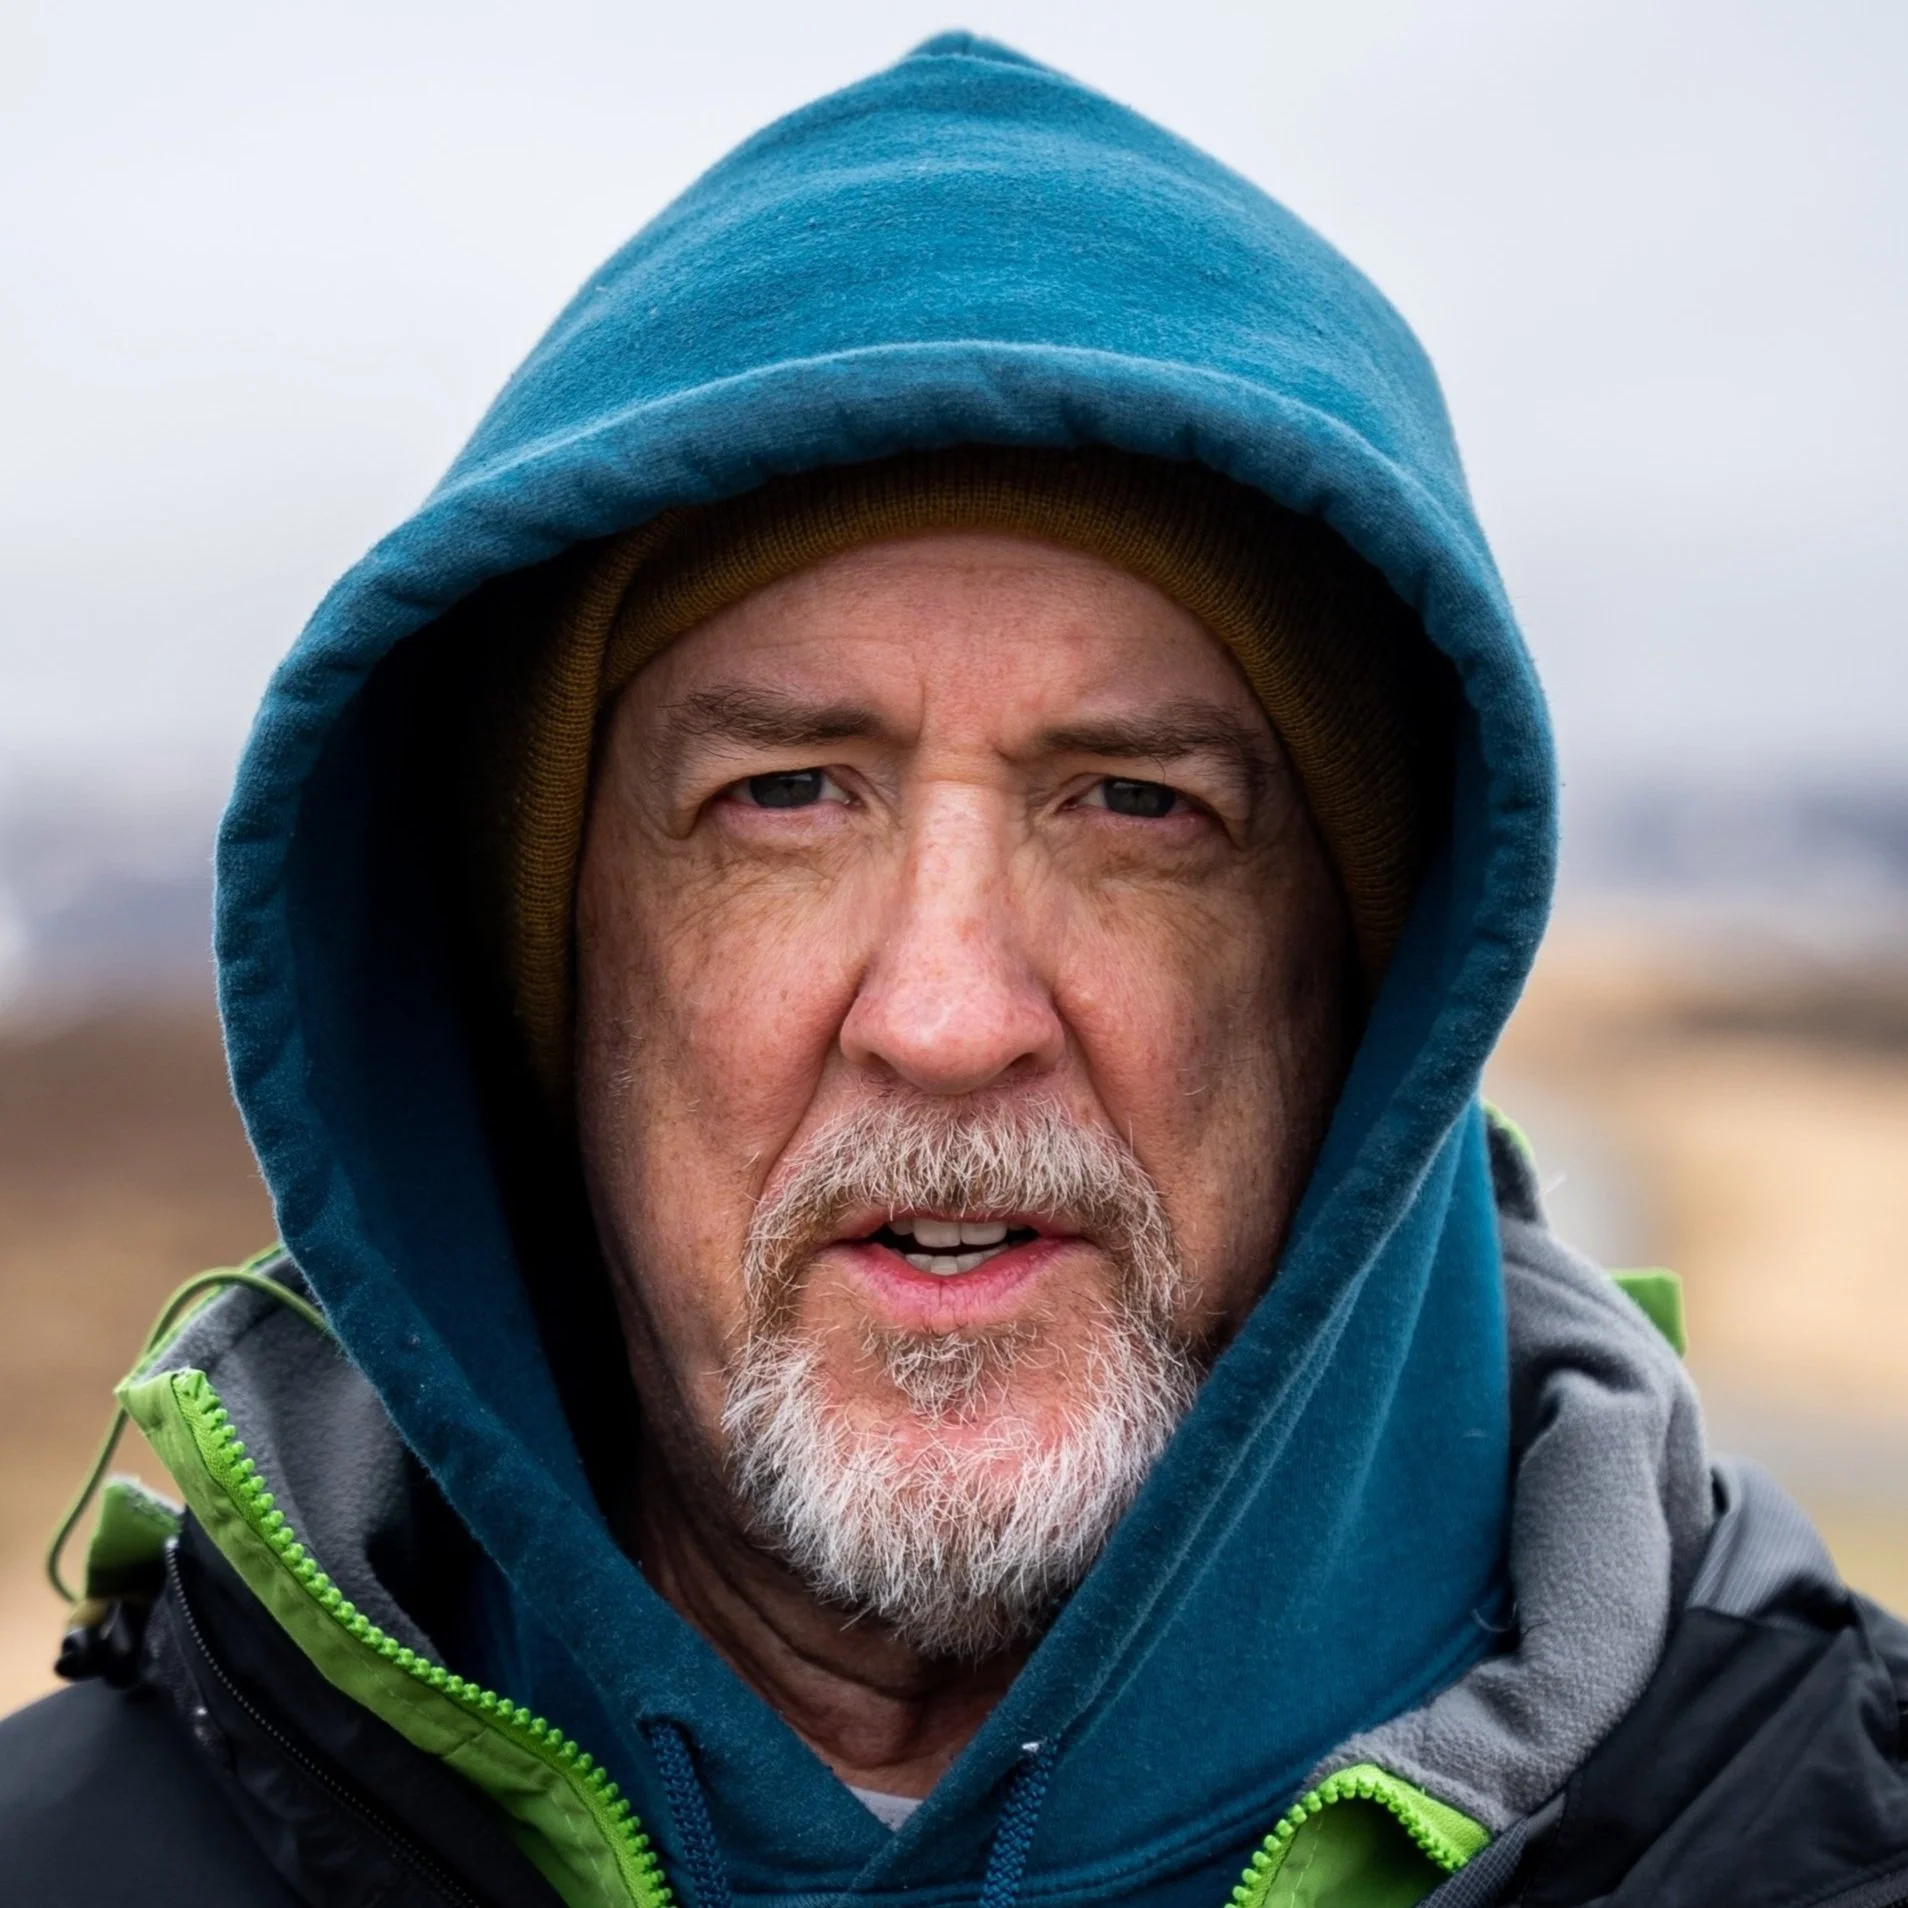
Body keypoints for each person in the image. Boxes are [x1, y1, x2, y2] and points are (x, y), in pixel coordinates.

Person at [3, 32, 1903, 1908]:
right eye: (785, 798)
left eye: (1138, 807)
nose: (947, 1019)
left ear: (1371, 995)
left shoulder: (1812, 1836)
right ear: (552, 980)